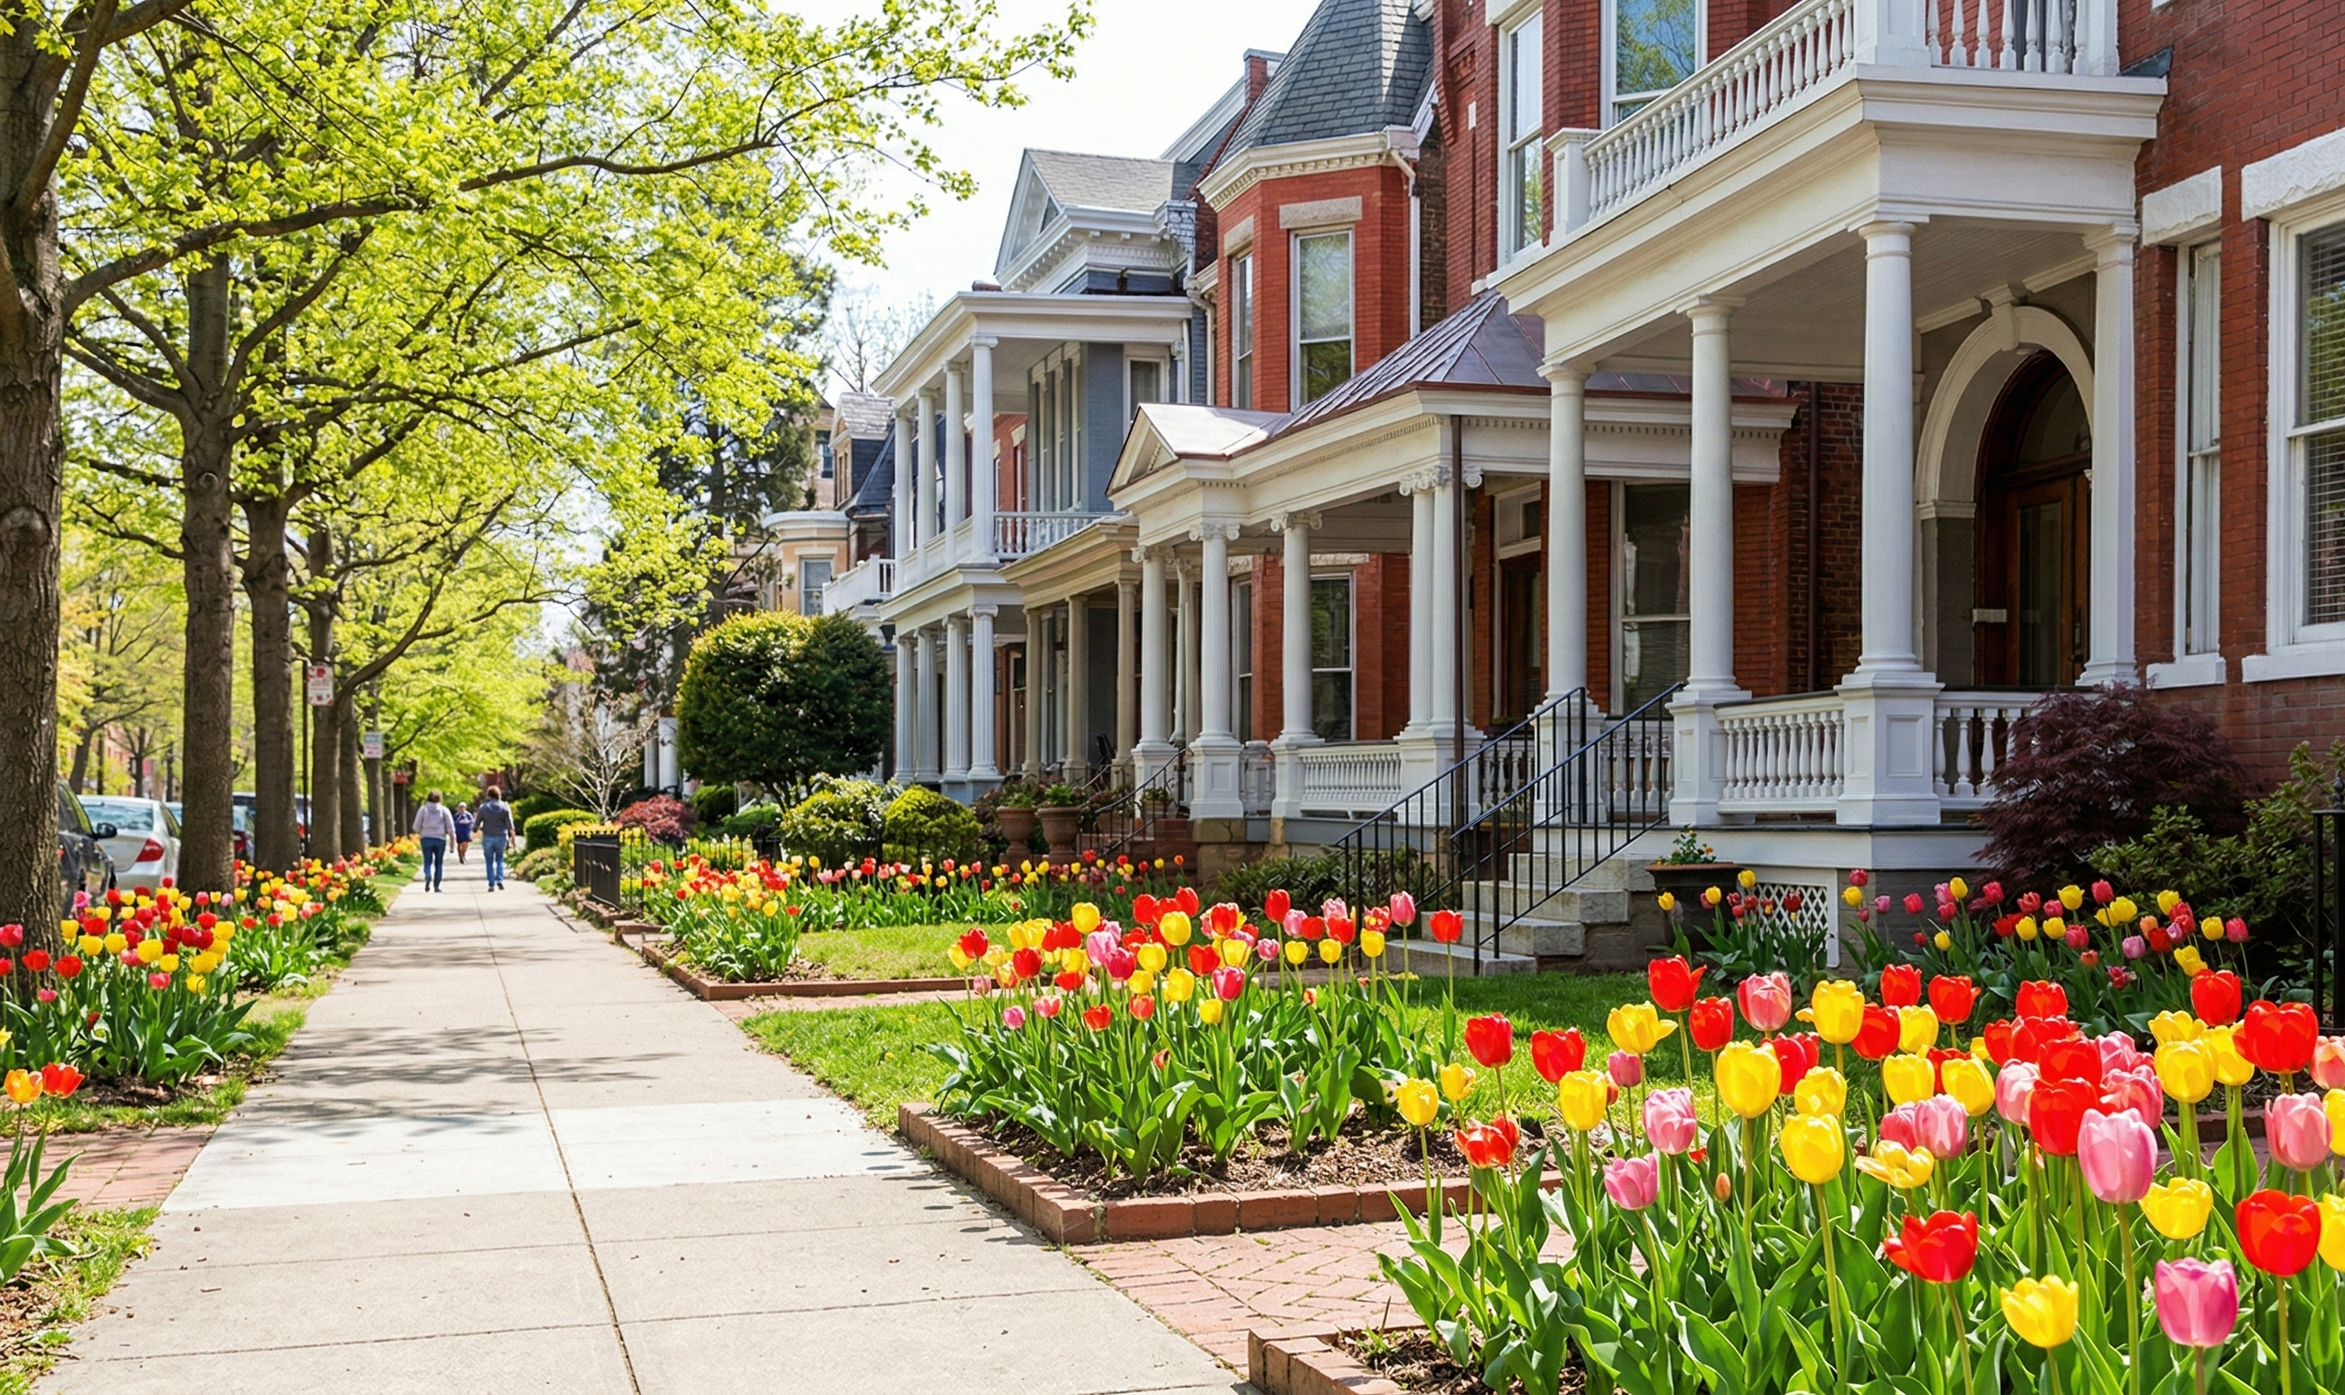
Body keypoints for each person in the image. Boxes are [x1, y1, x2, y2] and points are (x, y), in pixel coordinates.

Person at [412, 791, 455, 892]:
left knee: (427, 860)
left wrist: (421, 830)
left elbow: (416, 826)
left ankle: (427, 875)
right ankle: (437, 886)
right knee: (439, 863)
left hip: (426, 838)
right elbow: (451, 828)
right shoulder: (444, 810)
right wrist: (453, 844)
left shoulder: (423, 810)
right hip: (440, 839)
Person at [474, 788, 515, 891]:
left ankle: (491, 884)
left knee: (489, 861)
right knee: (500, 859)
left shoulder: (483, 807)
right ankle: (500, 880)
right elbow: (510, 824)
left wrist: (476, 828)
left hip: (488, 836)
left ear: (488, 795)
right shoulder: (505, 806)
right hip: (501, 836)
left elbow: (476, 824)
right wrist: (513, 838)